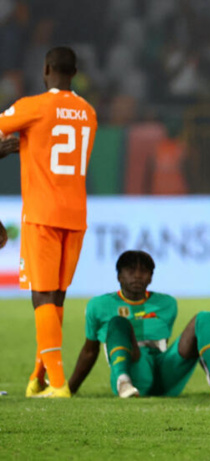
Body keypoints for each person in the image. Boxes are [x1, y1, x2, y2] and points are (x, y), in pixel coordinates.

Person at [0, 47, 98, 398]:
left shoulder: (34, 106)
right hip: (75, 213)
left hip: (42, 212)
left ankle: (58, 384)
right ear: (75, 72)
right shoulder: (88, 112)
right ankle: (39, 375)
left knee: (41, 296)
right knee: (56, 296)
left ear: (46, 69)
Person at [68, 250, 210, 398]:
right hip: (133, 369)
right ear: (119, 276)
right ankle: (123, 381)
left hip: (164, 372)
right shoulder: (98, 306)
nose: (137, 276)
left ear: (151, 277)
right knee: (118, 323)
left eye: (144, 271)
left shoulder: (166, 304)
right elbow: (90, 350)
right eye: (130, 270)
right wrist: (70, 388)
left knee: (205, 317)